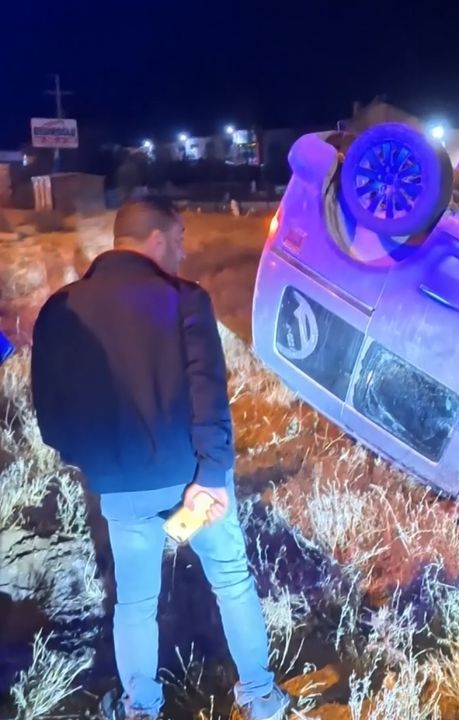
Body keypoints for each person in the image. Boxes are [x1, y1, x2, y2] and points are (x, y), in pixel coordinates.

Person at [30, 197, 290, 720]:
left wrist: (95, 462)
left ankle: (141, 708)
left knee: (134, 601)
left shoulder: (60, 310)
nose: (182, 251)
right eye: (178, 239)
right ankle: (261, 698)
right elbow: (208, 394)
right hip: (194, 479)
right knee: (231, 580)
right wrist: (211, 473)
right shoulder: (185, 300)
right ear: (154, 238)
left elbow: (50, 413)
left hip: (120, 485)